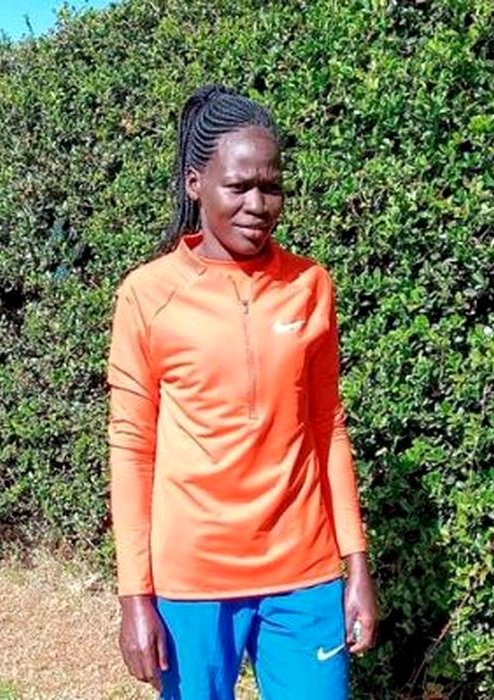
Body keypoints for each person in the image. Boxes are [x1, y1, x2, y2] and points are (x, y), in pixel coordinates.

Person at [107, 84, 377, 699]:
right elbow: (132, 449)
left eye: (271, 186)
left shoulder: (309, 285)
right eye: (238, 186)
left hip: (304, 573)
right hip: (192, 583)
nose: (258, 204)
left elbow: (327, 427)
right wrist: (135, 595)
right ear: (194, 184)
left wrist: (355, 564)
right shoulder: (148, 295)